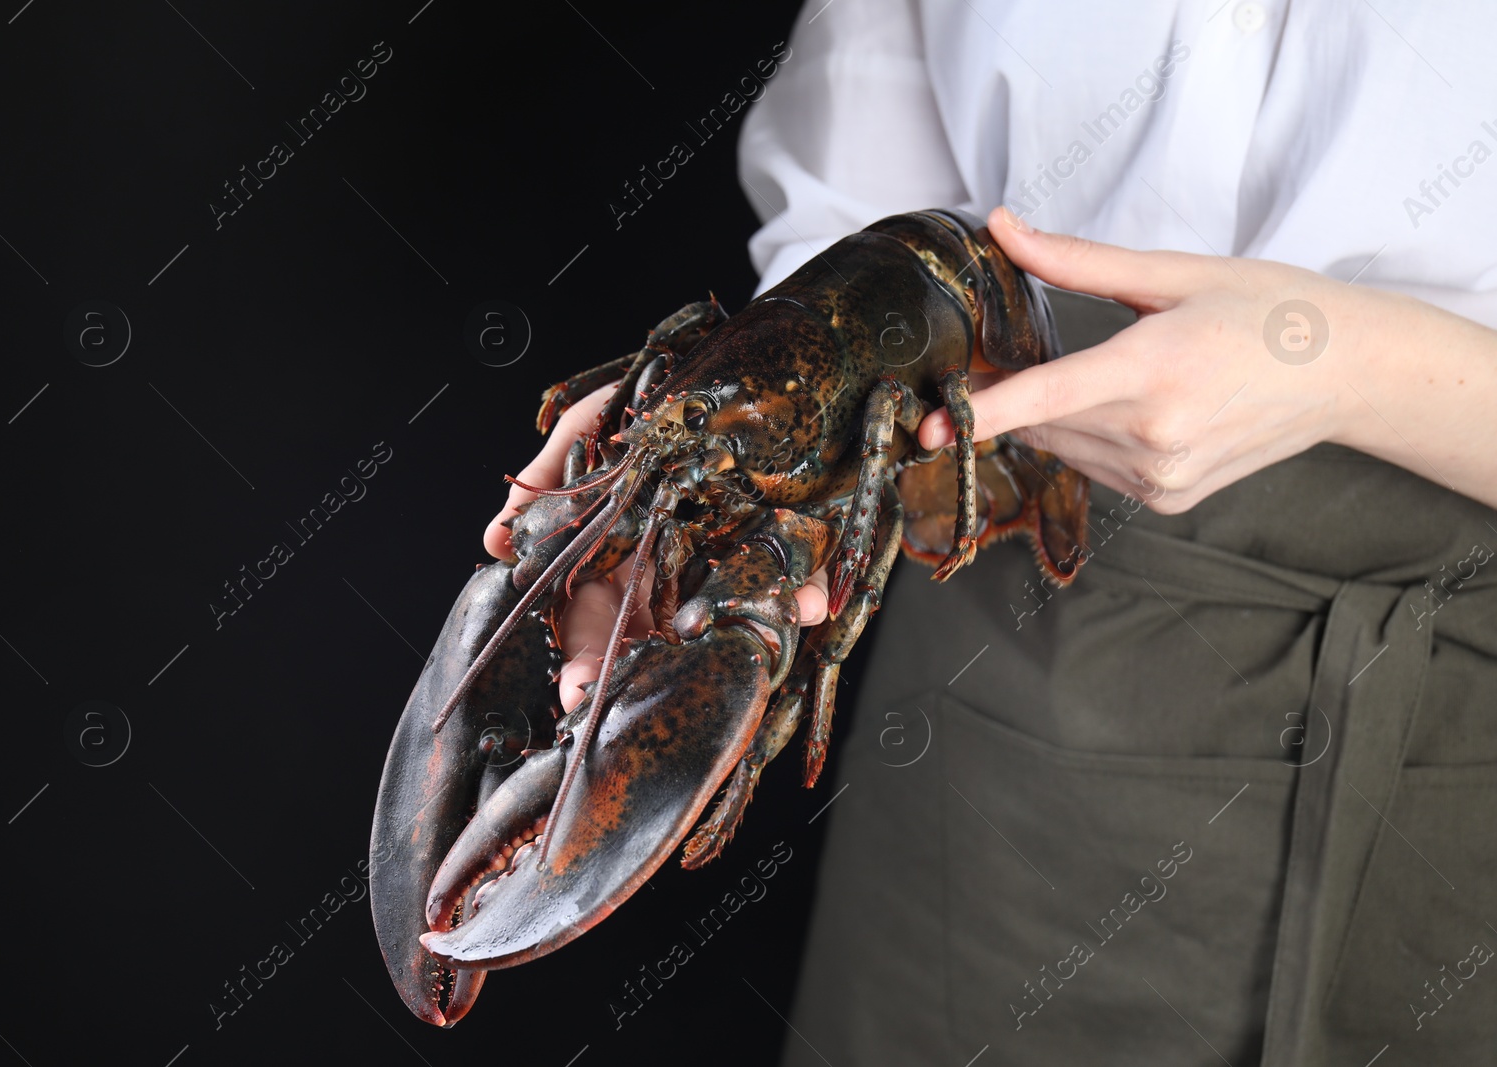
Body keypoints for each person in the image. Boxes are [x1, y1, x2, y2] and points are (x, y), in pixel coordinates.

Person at [487, 1, 1497, 1062]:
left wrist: (1335, 368)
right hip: (989, 681)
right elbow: (863, 187)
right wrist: (697, 462)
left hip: (1447, 745)